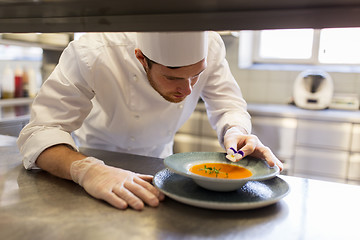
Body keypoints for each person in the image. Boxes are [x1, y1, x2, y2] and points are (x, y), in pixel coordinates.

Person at [17, 31, 283, 211]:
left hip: (161, 168)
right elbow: (40, 131)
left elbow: (228, 105)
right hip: (94, 168)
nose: (189, 90)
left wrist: (235, 131)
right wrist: (88, 171)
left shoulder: (210, 45)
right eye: (173, 78)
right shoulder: (92, 51)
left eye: (195, 76)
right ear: (141, 58)